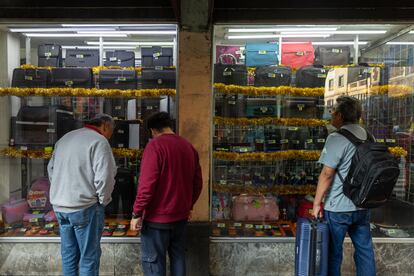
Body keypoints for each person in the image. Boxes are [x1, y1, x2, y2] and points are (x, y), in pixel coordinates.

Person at [130, 112, 203, 276]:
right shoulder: (188, 146)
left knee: (154, 264)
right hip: (180, 219)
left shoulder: (155, 146)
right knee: (178, 259)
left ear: (153, 131)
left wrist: (137, 212)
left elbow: (146, 186)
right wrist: (189, 205)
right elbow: (198, 183)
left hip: (156, 220)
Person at [313, 96, 376, 276]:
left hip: (338, 207)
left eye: (333, 112)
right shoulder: (368, 135)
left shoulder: (336, 138)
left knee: (333, 253)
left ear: (340, 116)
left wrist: (317, 203)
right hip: (362, 204)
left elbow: (327, 174)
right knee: (365, 251)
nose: (332, 115)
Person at [48, 114, 117, 276]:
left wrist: (60, 192)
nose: (111, 135)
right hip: (85, 207)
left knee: (69, 256)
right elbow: (105, 176)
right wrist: (103, 200)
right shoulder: (99, 141)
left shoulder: (65, 138)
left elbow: (51, 169)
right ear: (105, 126)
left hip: (60, 207)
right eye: (112, 131)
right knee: (88, 258)